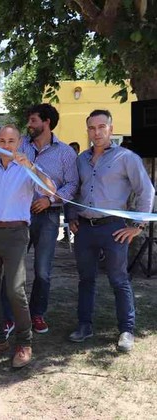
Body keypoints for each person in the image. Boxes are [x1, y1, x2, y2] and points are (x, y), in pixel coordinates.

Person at [0, 104, 78, 336]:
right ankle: (8, 318)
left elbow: (71, 185)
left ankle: (36, 315)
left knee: (42, 270)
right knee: (11, 272)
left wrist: (49, 200)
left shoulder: (65, 153)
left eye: (33, 120)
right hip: (16, 217)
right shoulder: (20, 144)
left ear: (47, 122)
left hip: (46, 215)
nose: (29, 125)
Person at [0, 124, 56, 368]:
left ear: (19, 143)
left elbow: (51, 191)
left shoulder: (27, 169)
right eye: (2, 141)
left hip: (16, 233)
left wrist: (31, 167)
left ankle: (24, 342)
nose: (6, 145)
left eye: (11, 141)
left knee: (15, 290)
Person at [67, 110, 154, 352]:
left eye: (101, 127)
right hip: (85, 229)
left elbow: (146, 190)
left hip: (114, 228)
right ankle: (84, 325)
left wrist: (138, 226)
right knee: (86, 279)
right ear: (88, 131)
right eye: (92, 128)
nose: (96, 132)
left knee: (118, 279)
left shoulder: (127, 158)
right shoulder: (81, 160)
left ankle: (126, 330)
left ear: (111, 129)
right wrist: (71, 216)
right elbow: (74, 190)